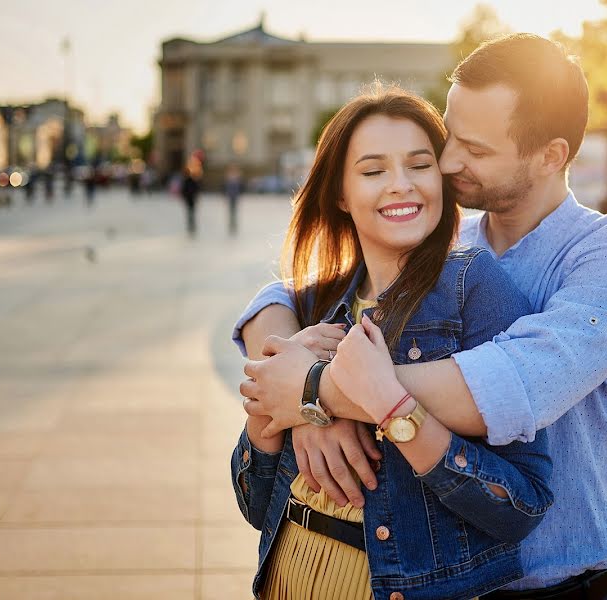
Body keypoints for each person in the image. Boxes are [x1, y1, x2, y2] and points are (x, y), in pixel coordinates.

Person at [237, 34, 607, 599]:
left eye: (476, 150)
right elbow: (286, 296)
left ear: (550, 156)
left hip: (557, 586)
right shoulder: (445, 239)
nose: (448, 161)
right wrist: (307, 390)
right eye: (449, 134)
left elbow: (511, 383)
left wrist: (320, 391)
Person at [231, 86, 554, 600]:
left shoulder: (476, 290)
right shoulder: (315, 304)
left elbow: (522, 506)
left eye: (419, 165)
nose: (400, 186)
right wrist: (280, 408)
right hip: (287, 579)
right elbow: (256, 503)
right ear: (340, 193)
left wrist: (389, 407)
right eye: (373, 170)